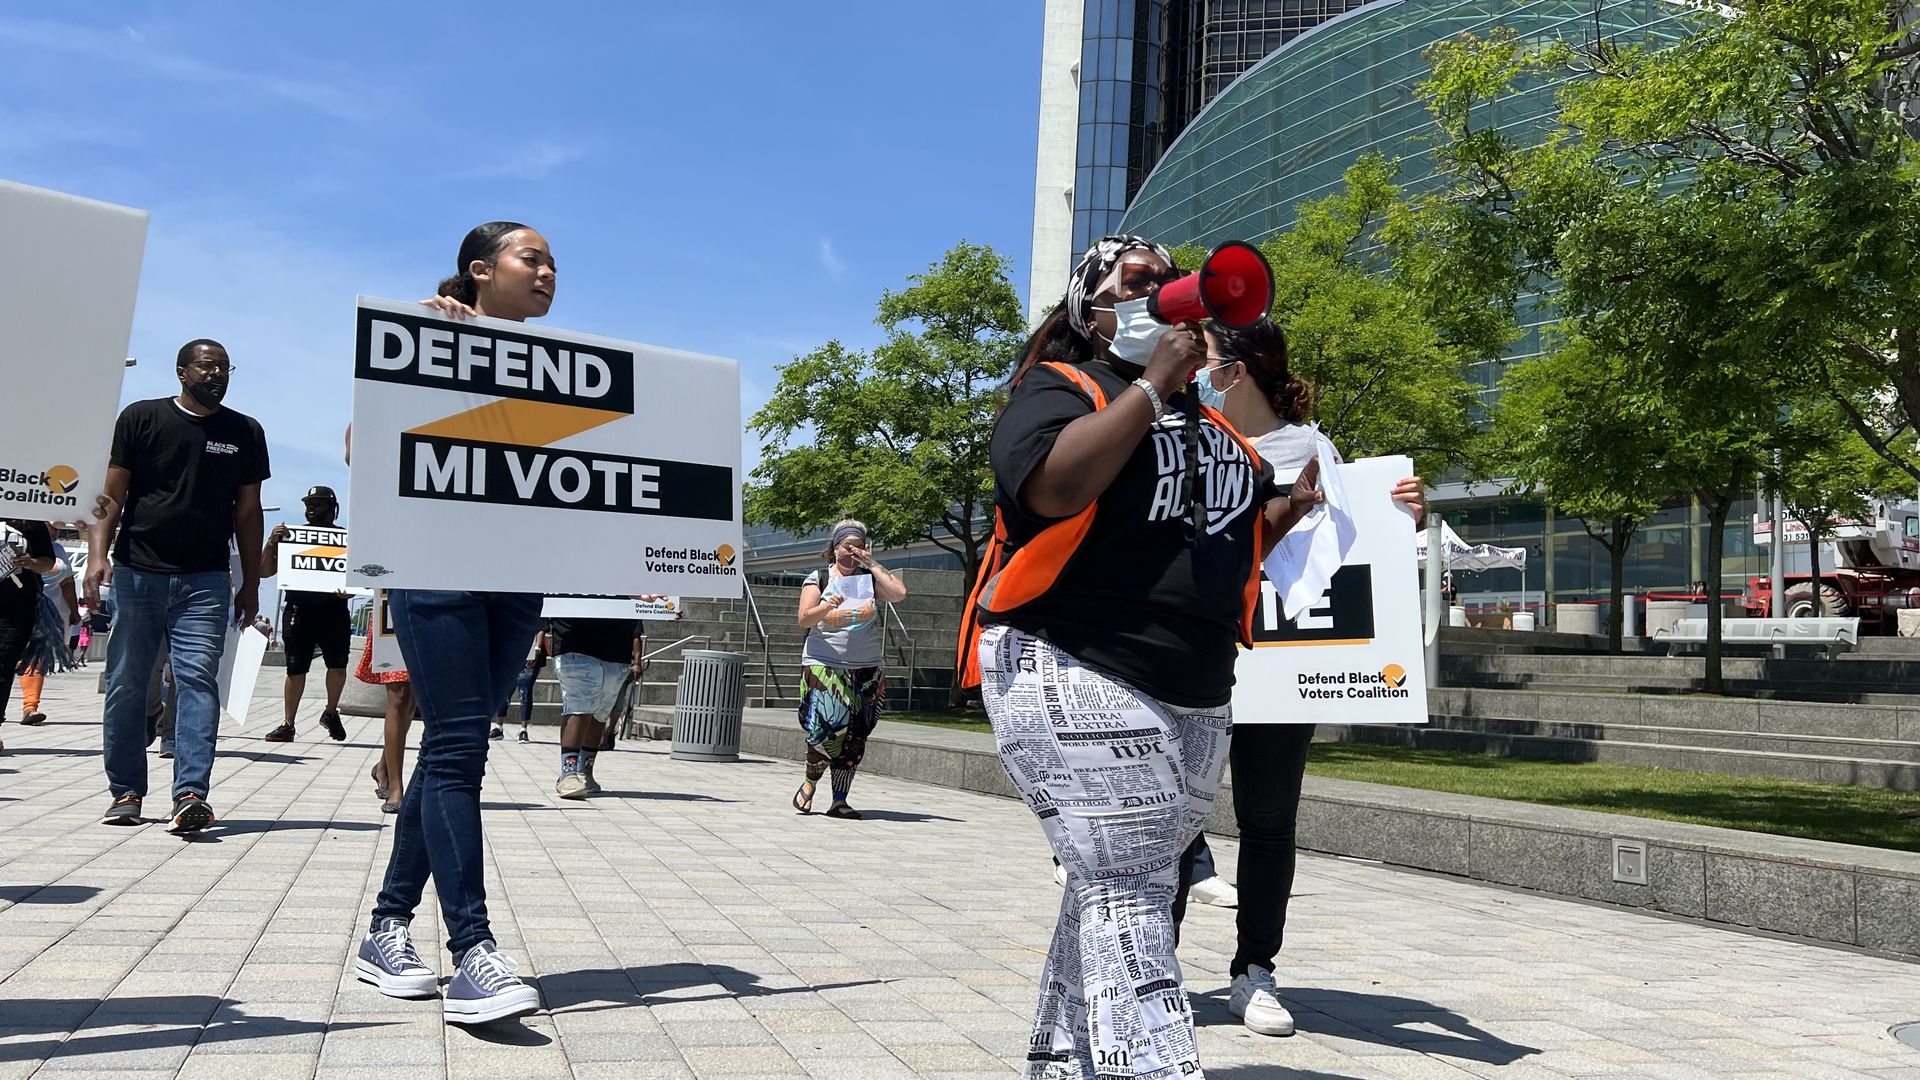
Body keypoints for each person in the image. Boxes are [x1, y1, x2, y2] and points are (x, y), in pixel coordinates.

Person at [963, 236, 1326, 1080]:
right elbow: (1052, 488)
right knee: (1130, 890)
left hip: (1194, 687)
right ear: (1091, 303)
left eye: (1174, 284)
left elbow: (1211, 549)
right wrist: (1153, 383)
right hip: (1078, 663)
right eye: (1141, 283)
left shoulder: (1212, 428)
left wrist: (1289, 511)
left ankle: (1064, 1065)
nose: (1166, 295)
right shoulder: (1062, 389)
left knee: (1120, 887)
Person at [1163, 318, 1423, 1038]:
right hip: (1199, 661)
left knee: (1268, 823)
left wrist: (1399, 518)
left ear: (1236, 370)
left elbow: (1351, 544)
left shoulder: (1314, 450)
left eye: (1207, 359)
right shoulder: (1189, 442)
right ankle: (1157, 972)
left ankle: (1254, 971)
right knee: (1175, 824)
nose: (1195, 370)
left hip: (1282, 665)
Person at [352, 221, 552, 1025]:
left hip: (519, 574)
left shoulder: (562, 373)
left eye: (552, 264)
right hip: (434, 564)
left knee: (449, 752)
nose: (545, 273)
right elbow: (359, 447)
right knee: (462, 748)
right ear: (481, 270)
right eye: (530, 258)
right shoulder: (421, 336)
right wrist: (429, 348)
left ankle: (386, 928)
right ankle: (473, 951)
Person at [87, 340, 268, 831]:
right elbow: (111, 494)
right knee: (127, 683)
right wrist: (98, 557)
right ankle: (125, 791)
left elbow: (248, 513)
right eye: (208, 367)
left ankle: (190, 793)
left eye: (225, 368)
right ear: (182, 372)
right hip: (138, 572)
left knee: (196, 682)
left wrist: (250, 584)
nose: (218, 375)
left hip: (206, 580)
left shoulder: (245, 432)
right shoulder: (141, 418)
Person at [792, 520, 907, 819]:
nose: (851, 553)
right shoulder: (818, 577)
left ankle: (839, 800)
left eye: (858, 547)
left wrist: (872, 563)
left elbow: (899, 593)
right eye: (847, 547)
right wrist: (826, 606)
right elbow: (804, 619)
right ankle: (809, 781)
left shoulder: (868, 577)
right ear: (834, 548)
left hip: (866, 666)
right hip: (824, 663)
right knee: (824, 728)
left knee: (856, 734)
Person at [260, 486, 351, 743]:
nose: (312, 507)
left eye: (319, 503)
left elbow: (357, 579)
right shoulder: (292, 537)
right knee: (295, 668)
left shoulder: (345, 539)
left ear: (333, 509)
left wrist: (351, 592)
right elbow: (264, 572)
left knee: (337, 664)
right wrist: (271, 542)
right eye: (309, 503)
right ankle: (288, 723)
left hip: (333, 611)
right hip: (299, 611)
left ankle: (331, 712)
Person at [546, 618, 641, 799]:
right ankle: (568, 772)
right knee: (580, 704)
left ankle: (585, 771)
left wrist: (666, 606)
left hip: (617, 644)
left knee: (601, 712)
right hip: (575, 638)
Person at [1, 519, 60, 754]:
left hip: (16, 607)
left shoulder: (31, 519)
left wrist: (31, 563)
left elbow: (48, 562)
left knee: (3, 667)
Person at [13, 532, 77, 726]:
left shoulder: (57, 549)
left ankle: (30, 707)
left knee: (36, 659)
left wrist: (74, 611)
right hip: (12, 607)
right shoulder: (12, 538)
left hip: (44, 613)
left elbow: (67, 583)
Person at [492, 629, 546, 743]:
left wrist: (537, 648)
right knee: (504, 692)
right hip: (509, 653)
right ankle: (498, 727)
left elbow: (541, 628)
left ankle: (523, 729)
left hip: (529, 654)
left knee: (524, 692)